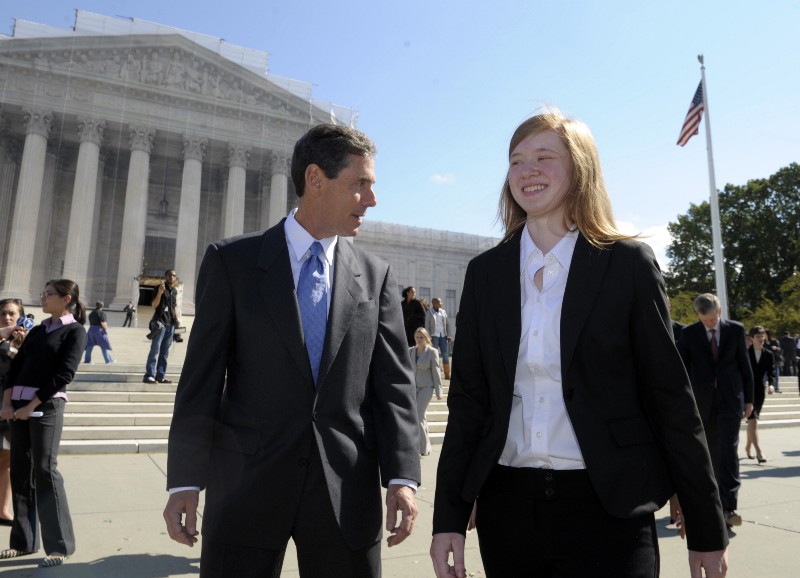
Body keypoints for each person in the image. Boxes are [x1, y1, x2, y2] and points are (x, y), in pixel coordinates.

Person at [431, 111, 729, 578]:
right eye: (516, 161)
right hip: (508, 510)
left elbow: (670, 398)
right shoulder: (486, 274)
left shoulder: (627, 264)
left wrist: (707, 528)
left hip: (609, 509)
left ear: (580, 168)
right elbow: (469, 400)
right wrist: (448, 514)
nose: (528, 170)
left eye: (545, 157)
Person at [163, 123, 420, 578]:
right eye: (361, 184)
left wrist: (402, 476)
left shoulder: (376, 275)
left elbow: (394, 386)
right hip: (246, 489)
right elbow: (201, 380)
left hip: (346, 493)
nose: (372, 199)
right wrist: (185, 477)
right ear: (316, 179)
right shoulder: (232, 263)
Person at [0, 280, 87, 567]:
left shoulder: (74, 331)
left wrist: (33, 405)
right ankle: (23, 542)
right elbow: (16, 368)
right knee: (21, 472)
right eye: (43, 293)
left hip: (47, 407)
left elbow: (64, 374)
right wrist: (8, 403)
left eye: (48, 294)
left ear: (66, 298)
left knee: (46, 470)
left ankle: (59, 546)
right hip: (18, 410)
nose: (43, 298)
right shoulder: (37, 330)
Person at [678, 293, 754, 530]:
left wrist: (749, 400)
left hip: (731, 402)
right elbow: (683, 369)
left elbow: (744, 365)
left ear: (719, 312)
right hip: (703, 404)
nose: (710, 323)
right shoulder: (688, 334)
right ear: (698, 315)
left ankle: (729, 506)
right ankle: (713, 504)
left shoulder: (735, 330)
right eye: (705, 319)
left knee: (728, 451)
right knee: (709, 453)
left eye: (713, 318)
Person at [0, 298, 29, 527]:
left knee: (7, 460)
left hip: (10, 409)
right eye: (3, 313)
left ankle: (3, 510)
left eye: (12, 314)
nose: (7, 317)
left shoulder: (24, 342)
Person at [143, 269, 179, 384]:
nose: (172, 277)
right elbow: (154, 305)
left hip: (170, 325)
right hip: (160, 323)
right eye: (169, 275)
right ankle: (149, 375)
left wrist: (177, 319)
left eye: (174, 276)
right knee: (155, 350)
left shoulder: (174, 291)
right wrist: (159, 292)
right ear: (165, 276)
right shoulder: (159, 288)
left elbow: (173, 307)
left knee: (165, 353)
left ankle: (160, 376)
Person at [410, 327, 442, 456]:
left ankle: (422, 448)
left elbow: (436, 371)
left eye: (421, 337)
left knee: (418, 415)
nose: (418, 340)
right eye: (417, 337)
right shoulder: (411, 351)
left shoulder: (432, 352)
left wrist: (439, 390)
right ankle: (427, 445)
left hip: (427, 387)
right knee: (421, 417)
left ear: (426, 338)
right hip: (414, 387)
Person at [745, 326, 775, 463]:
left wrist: (772, 384)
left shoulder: (768, 354)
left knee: (753, 422)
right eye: (758, 336)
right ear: (751, 338)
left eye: (762, 336)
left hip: (760, 391)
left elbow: (771, 371)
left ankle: (747, 447)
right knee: (753, 420)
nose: (761, 339)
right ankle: (759, 452)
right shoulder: (745, 353)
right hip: (747, 391)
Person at [425, 297, 451, 379]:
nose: (441, 303)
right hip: (434, 336)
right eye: (439, 302)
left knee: (445, 354)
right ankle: (435, 373)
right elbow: (426, 325)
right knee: (434, 355)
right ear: (434, 303)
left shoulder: (443, 312)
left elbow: (447, 324)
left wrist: (449, 335)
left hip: (443, 336)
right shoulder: (429, 312)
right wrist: (428, 337)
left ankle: (447, 374)